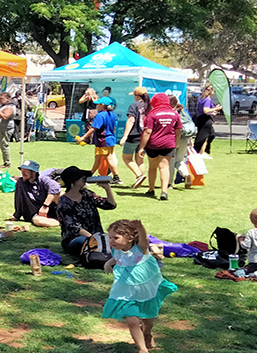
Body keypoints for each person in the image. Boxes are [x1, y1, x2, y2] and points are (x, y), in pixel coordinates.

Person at [101, 220, 177, 353]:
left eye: (116, 238)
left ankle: (147, 333)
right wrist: (109, 263)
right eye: (110, 238)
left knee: (148, 318)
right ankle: (142, 349)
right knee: (132, 320)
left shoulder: (140, 249)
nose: (111, 241)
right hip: (126, 290)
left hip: (146, 290)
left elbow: (145, 241)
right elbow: (119, 257)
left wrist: (140, 227)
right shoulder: (116, 250)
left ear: (130, 238)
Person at [57, 165, 118, 256]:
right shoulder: (64, 202)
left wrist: (107, 188)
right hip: (76, 239)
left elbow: (110, 205)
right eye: (81, 177)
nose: (84, 178)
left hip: (96, 236)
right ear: (73, 181)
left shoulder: (87, 194)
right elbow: (74, 227)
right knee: (86, 242)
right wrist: (93, 238)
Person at [139, 93, 180, 200]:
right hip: (169, 144)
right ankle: (164, 191)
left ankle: (151, 190)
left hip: (153, 144)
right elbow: (178, 130)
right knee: (164, 167)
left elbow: (148, 131)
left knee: (152, 167)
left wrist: (142, 147)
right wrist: (175, 143)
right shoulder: (174, 114)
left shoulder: (152, 114)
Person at [76, 96, 121, 184]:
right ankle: (90, 174)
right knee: (99, 158)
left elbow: (93, 128)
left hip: (103, 140)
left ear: (102, 105)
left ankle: (116, 177)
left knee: (107, 159)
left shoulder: (100, 115)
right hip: (110, 139)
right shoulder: (112, 114)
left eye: (98, 104)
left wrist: (83, 137)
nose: (96, 106)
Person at [9, 160, 60, 227]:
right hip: (35, 213)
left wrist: (45, 206)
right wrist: (17, 216)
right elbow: (18, 199)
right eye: (22, 170)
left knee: (58, 194)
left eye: (25, 170)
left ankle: (63, 216)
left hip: (50, 208)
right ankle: (62, 222)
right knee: (38, 221)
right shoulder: (21, 183)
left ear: (33, 172)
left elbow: (56, 188)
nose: (22, 173)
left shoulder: (44, 180)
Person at [119, 88, 150, 187]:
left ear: (136, 95)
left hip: (134, 135)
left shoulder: (134, 105)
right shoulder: (150, 106)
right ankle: (139, 181)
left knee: (127, 158)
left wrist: (125, 136)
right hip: (145, 136)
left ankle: (139, 175)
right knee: (140, 160)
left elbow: (131, 120)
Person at [168, 96, 196, 188]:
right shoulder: (184, 112)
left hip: (174, 138)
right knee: (179, 160)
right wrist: (190, 140)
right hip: (185, 138)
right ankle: (186, 174)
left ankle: (169, 184)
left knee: (171, 161)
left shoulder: (170, 112)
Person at [193, 84, 221, 158]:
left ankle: (202, 151)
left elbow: (205, 110)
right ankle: (199, 152)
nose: (214, 93)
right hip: (204, 119)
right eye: (213, 91)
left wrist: (212, 112)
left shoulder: (202, 98)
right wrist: (216, 109)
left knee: (210, 135)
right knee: (203, 136)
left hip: (201, 118)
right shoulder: (207, 99)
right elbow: (205, 110)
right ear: (211, 91)